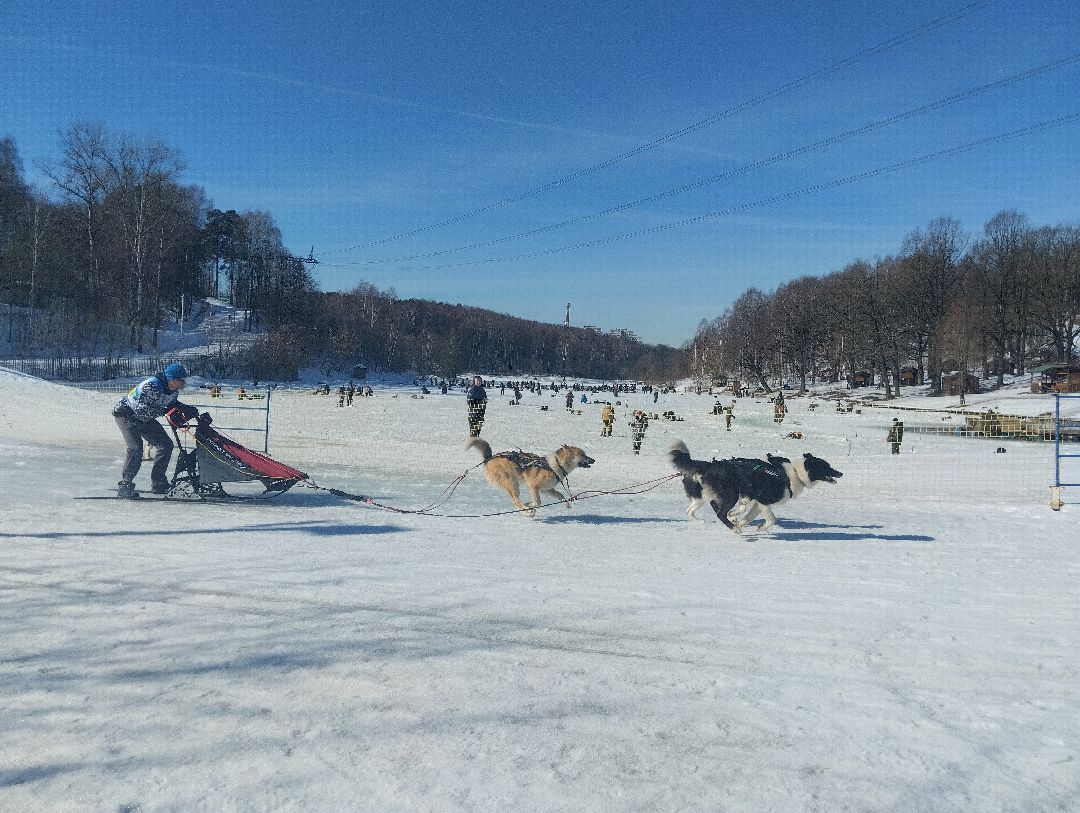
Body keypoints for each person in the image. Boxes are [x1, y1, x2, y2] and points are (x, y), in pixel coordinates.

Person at [112, 362, 198, 498]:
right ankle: (125, 485)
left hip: (144, 417)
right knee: (135, 448)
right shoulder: (151, 386)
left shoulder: (173, 390)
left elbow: (170, 404)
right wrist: (166, 411)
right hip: (126, 414)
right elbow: (143, 411)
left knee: (165, 445)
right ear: (172, 379)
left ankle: (159, 483)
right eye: (181, 380)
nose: (184, 384)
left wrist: (185, 409)